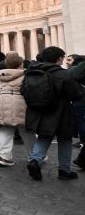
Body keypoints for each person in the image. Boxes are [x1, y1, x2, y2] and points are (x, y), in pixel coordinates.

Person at [25, 46, 84, 181]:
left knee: (44, 137)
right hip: (61, 111)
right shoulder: (62, 73)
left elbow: (24, 90)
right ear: (58, 59)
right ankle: (64, 170)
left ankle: (35, 160)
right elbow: (76, 93)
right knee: (65, 138)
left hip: (39, 111)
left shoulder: (32, 71)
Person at [0, 52, 32, 167]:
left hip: (3, 100)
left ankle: (3, 156)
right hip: (18, 100)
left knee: (5, 129)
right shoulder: (24, 75)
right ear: (20, 64)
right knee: (26, 130)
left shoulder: (2, 74)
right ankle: (34, 155)